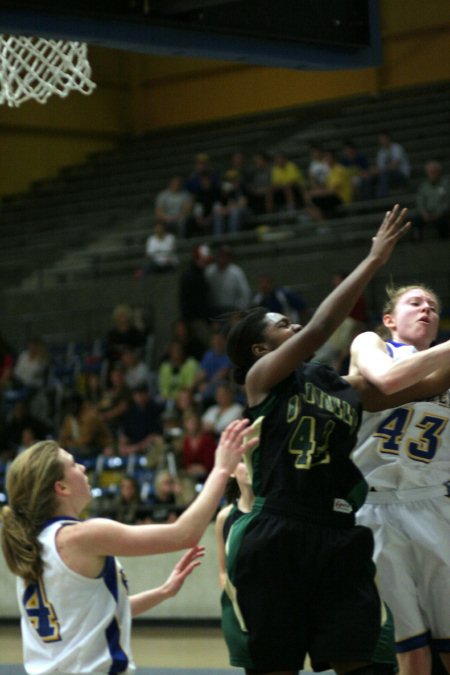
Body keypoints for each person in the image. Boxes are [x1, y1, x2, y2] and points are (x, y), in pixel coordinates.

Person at [221, 205, 450, 675]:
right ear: (261, 348)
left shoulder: (338, 387)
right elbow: (325, 326)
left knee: (359, 661)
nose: (295, 326)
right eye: (282, 324)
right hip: (279, 527)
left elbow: (424, 386)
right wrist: (373, 261)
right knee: (278, 664)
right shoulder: (262, 380)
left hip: (338, 532)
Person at [0, 418, 257, 675]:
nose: (82, 467)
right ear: (61, 487)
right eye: (72, 464)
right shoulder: (81, 536)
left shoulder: (33, 543)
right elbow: (183, 534)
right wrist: (222, 469)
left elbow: (96, 616)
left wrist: (163, 592)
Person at [349, 284, 450, 675]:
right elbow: (388, 380)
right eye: (416, 302)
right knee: (412, 648)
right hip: (378, 507)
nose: (426, 308)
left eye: (434, 307)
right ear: (390, 319)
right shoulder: (371, 344)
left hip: (436, 502)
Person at [215, 460, 254, 589]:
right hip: (237, 603)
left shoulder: (274, 513)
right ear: (232, 470)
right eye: (243, 460)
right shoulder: (224, 517)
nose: (250, 463)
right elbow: (223, 571)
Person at [205, 244, 252, 320]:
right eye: (221, 255)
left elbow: (245, 294)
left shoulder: (236, 272)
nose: (223, 258)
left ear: (230, 258)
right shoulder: (209, 271)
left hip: (232, 310)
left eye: (226, 256)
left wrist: (239, 312)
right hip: (213, 310)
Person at [412, 160, 450, 241]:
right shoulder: (424, 186)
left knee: (442, 221)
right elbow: (420, 200)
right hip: (428, 212)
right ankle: (417, 238)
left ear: (439, 172)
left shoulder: (446, 185)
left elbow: (447, 201)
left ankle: (444, 238)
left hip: (441, 212)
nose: (431, 175)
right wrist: (424, 213)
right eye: (429, 172)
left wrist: (440, 212)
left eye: (434, 172)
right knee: (416, 220)